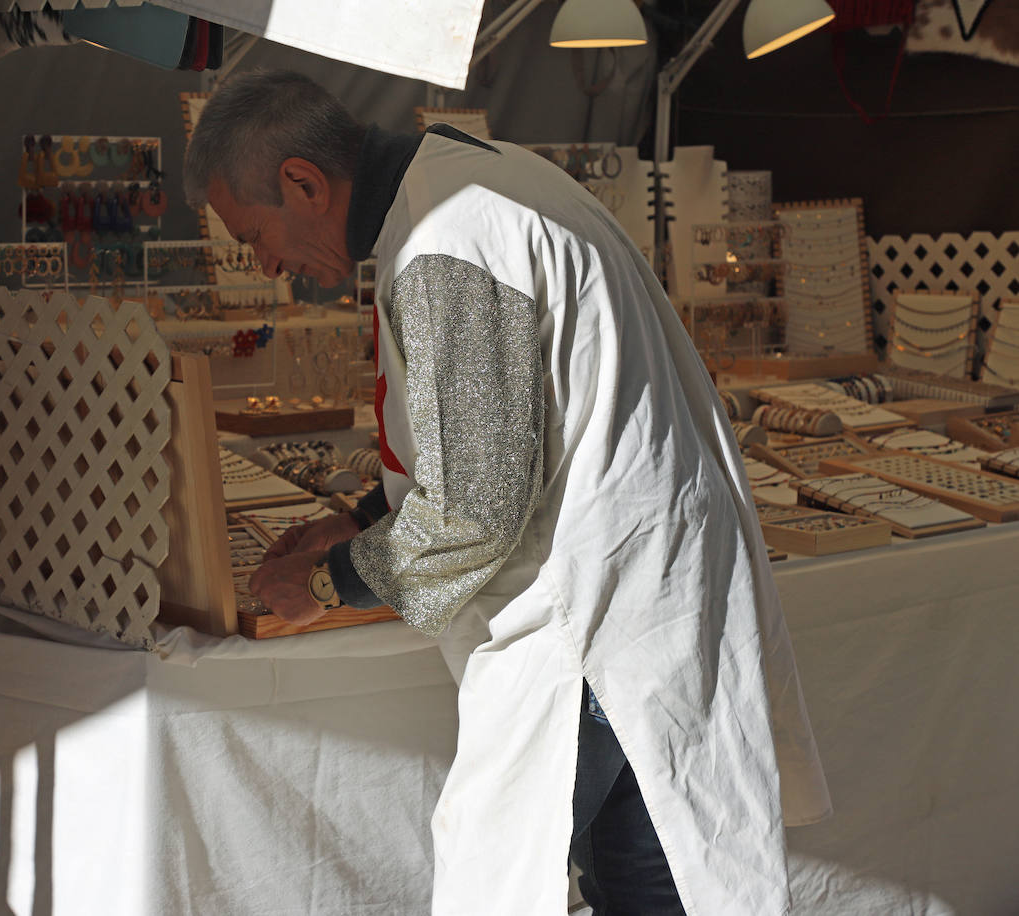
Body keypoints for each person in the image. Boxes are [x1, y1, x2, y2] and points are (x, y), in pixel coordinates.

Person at [184, 69, 831, 915]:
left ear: (303, 182)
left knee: (567, 882)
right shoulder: (467, 182)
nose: (264, 265)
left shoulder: (451, 237)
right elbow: (499, 435)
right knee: (634, 874)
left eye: (253, 233)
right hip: (622, 598)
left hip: (599, 623)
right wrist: (354, 518)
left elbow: (474, 511)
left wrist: (323, 584)